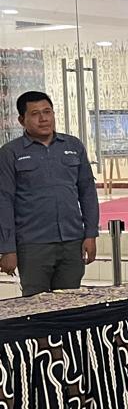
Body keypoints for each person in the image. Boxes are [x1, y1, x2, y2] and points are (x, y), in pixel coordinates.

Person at [0, 91, 99, 296]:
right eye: (35, 113)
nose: (43, 118)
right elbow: (4, 201)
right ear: (22, 120)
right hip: (33, 245)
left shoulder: (73, 146)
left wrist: (90, 234)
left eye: (47, 112)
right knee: (36, 309)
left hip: (72, 242)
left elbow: (87, 192)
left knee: (70, 305)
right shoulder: (10, 153)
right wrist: (7, 248)